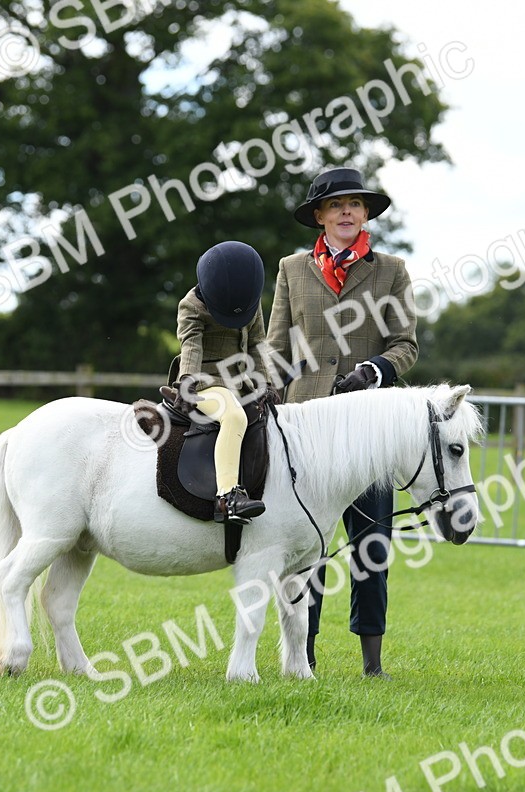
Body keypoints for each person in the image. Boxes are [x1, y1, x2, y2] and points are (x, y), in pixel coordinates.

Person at [265, 167, 419, 678]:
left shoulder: (391, 270)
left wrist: (376, 371)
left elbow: (405, 345)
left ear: (367, 213)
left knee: (371, 545)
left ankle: (372, 664)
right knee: (304, 548)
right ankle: (300, 656)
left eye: (356, 204)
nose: (348, 212)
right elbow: (276, 348)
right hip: (303, 432)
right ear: (320, 216)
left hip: (366, 430)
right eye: (336, 205)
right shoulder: (291, 268)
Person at [168, 240, 269, 525]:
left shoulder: (249, 298)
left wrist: (265, 383)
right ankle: (227, 498)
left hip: (241, 384)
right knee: (234, 417)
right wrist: (186, 381)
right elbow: (191, 346)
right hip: (206, 383)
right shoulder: (192, 305)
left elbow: (258, 343)